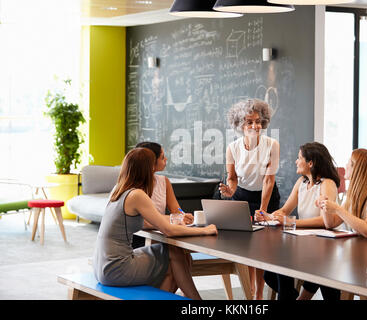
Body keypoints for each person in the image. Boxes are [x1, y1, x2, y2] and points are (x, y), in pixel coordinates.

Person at [93, 148, 218, 300]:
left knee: (174, 266)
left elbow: (156, 218)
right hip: (117, 268)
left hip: (102, 265)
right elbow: (168, 231)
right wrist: (205, 230)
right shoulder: (137, 195)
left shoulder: (119, 190)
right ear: (148, 168)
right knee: (175, 254)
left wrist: (177, 217)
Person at [258, 142, 342, 300]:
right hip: (304, 242)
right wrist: (268, 216)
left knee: (284, 267)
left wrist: (291, 222)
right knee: (269, 275)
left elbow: (325, 222)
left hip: (323, 245)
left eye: (299, 158)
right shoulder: (301, 183)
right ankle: (290, 295)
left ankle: (287, 296)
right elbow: (284, 211)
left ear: (310, 163)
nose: (296, 161)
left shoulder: (327, 184)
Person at [219, 98, 280, 300]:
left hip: (266, 197)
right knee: (246, 247)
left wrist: (262, 210)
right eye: (249, 122)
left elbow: (269, 181)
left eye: (258, 121)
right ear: (239, 125)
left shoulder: (272, 145)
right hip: (242, 196)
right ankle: (250, 291)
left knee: (261, 248)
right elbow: (233, 178)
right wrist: (230, 191)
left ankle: (260, 295)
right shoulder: (232, 148)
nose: (255, 126)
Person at [318, 148, 367, 240]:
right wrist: (324, 204)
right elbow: (331, 223)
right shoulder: (355, 194)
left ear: (358, 169)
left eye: (349, 163)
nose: (346, 166)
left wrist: (338, 209)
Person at [131, 142, 194, 248]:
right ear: (151, 162)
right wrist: (172, 219)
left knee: (179, 251)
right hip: (138, 235)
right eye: (162, 157)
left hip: (160, 232)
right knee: (175, 252)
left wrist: (183, 215)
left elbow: (176, 210)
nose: (166, 159)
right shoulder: (133, 187)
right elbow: (143, 222)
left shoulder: (164, 181)